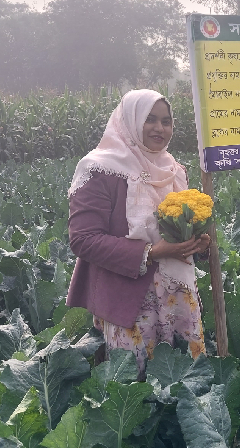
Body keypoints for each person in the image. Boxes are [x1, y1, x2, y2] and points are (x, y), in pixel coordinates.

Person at [66, 89, 210, 376]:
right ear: (130, 120)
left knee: (185, 380)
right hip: (129, 300)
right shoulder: (99, 169)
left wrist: (199, 243)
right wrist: (152, 252)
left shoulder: (174, 170)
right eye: (150, 119)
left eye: (166, 121)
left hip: (177, 298)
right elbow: (83, 239)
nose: (160, 128)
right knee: (134, 386)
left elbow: (179, 229)